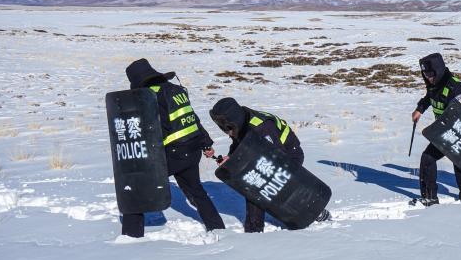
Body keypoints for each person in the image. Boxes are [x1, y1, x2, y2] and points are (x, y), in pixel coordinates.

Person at [122, 58, 225, 237]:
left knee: (138, 187)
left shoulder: (152, 95)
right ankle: (217, 228)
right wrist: (205, 143)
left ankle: (130, 236)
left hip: (175, 153)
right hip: (192, 150)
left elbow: (159, 128)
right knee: (196, 191)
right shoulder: (175, 89)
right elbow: (192, 118)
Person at [209, 97, 330, 233]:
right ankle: (256, 228)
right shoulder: (241, 123)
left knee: (261, 189)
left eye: (225, 126)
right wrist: (230, 158)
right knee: (258, 186)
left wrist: (239, 160)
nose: (226, 131)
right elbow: (241, 144)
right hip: (271, 157)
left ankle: (255, 232)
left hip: (289, 155)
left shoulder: (261, 127)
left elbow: (275, 156)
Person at [411, 53, 461, 206]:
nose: (428, 77)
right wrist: (419, 110)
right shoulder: (434, 85)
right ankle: (430, 197)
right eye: (425, 74)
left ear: (438, 69)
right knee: (427, 159)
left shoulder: (455, 87)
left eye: (430, 73)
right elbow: (429, 97)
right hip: (444, 132)